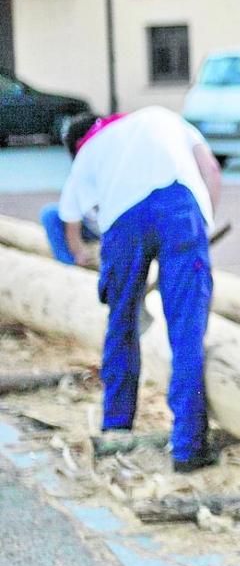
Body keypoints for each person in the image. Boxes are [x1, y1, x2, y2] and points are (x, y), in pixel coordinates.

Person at [58, 106, 222, 473]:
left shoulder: (89, 150)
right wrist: (203, 225)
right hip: (180, 206)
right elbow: (211, 168)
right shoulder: (162, 117)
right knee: (187, 330)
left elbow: (68, 215)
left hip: (122, 222)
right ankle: (188, 447)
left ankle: (116, 425)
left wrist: (81, 253)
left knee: (121, 322)